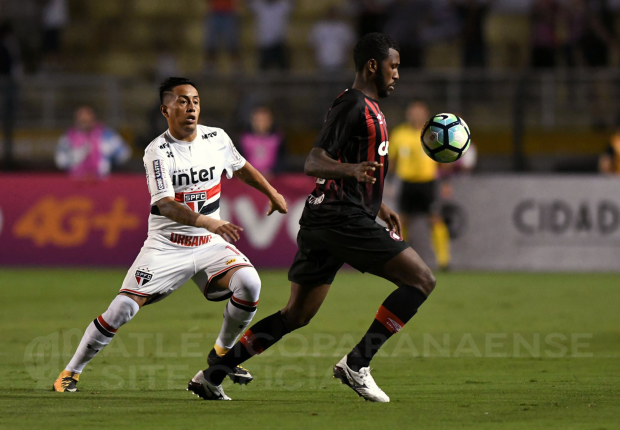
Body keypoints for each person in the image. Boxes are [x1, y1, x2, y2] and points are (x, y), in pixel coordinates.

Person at [188, 33, 436, 403]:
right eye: (393, 66)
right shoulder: (352, 104)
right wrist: (352, 174)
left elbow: (355, 167)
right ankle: (358, 362)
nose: (397, 74)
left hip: (330, 219)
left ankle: (212, 376)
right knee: (421, 280)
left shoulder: (371, 107)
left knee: (296, 315)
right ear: (373, 66)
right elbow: (314, 161)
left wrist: (376, 204)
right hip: (341, 219)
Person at [52, 77, 288, 393]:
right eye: (182, 101)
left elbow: (241, 166)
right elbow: (165, 205)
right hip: (167, 246)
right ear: (166, 109)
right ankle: (71, 371)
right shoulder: (157, 152)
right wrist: (208, 221)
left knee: (249, 283)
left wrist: (272, 193)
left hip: (208, 244)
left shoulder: (216, 138)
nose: (191, 107)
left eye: (195, 101)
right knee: (122, 309)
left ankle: (220, 355)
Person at [389, 100, 439, 268]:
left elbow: (443, 159)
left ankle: (443, 261)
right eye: (413, 112)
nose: (416, 115)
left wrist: (446, 181)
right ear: (408, 114)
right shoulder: (398, 134)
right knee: (402, 221)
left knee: (435, 219)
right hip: (407, 183)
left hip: (428, 182)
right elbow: (392, 161)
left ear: (425, 114)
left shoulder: (434, 133)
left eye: (419, 112)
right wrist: (388, 181)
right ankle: (400, 258)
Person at [54, 106, 131, 179]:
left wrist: (110, 155)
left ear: (93, 119)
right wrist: (74, 157)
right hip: (75, 181)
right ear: (76, 120)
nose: (85, 123)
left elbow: (125, 153)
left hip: (102, 180)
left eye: (87, 120)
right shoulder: (68, 138)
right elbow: (60, 161)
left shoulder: (106, 135)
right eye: (82, 121)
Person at [239, 105, 286, 175]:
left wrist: (273, 172)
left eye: (264, 120)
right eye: (258, 120)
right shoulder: (245, 139)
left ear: (270, 121)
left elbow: (283, 161)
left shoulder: (277, 139)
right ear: (252, 121)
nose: (261, 124)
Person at [249, 0, 294, 71]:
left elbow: (292, 3)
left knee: (285, 71)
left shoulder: (282, 5)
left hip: (279, 44)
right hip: (264, 45)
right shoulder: (258, 5)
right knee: (262, 71)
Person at [308, 6, 356, 72]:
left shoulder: (344, 27)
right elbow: (312, 43)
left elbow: (351, 43)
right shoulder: (319, 27)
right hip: (322, 61)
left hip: (340, 61)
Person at [203, 0, 241, 71]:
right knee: (211, 41)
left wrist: (236, 11)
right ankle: (209, 66)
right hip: (214, 13)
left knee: (232, 41)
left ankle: (236, 66)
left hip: (228, 13)